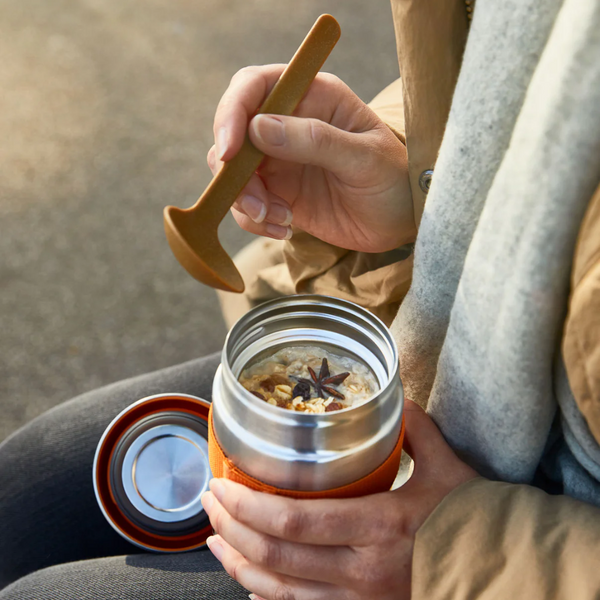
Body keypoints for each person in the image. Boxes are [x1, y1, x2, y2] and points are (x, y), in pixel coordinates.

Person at [2, 1, 600, 599]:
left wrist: (467, 557)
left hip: (514, 547)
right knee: (22, 497)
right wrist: (412, 190)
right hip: (425, 350)